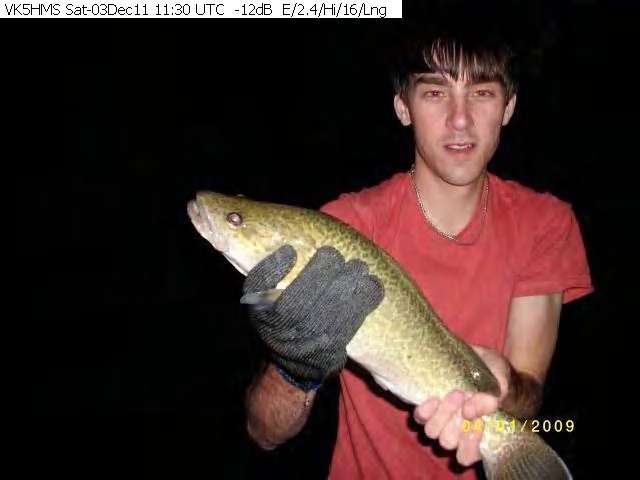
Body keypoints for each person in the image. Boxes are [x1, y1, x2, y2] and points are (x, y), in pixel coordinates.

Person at [242, 30, 593, 479]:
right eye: (435, 92)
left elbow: (529, 398)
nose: (460, 119)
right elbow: (264, 432)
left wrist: (501, 385)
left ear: (508, 107)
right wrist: (295, 367)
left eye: (482, 93)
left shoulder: (545, 223)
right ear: (403, 107)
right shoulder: (344, 230)